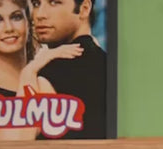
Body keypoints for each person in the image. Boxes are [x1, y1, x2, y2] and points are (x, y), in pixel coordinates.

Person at [0, 0, 84, 142]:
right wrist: (29, 71)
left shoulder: (46, 77)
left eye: (16, 17)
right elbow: (17, 145)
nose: (9, 28)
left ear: (28, 22)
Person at [30, 0, 109, 139]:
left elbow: (20, 144)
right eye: (36, 4)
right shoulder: (107, 63)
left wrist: (30, 70)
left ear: (84, 8)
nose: (39, 15)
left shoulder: (50, 73)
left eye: (54, 3)